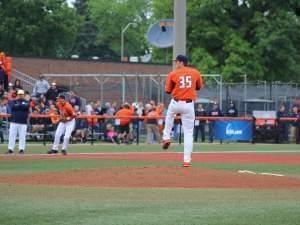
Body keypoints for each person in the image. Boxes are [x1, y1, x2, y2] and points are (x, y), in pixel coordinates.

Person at [162, 54, 204, 167]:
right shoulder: (195, 72)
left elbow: (167, 90)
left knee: (169, 115)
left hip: (176, 102)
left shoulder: (173, 73)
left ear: (181, 62)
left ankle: (166, 137)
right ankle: (187, 160)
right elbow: (199, 87)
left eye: (176, 62)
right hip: (189, 105)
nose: (175, 64)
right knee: (189, 133)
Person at [6, 90, 30, 154]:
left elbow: (26, 107)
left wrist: (18, 105)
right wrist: (21, 105)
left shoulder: (26, 102)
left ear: (23, 95)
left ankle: (21, 149)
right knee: (12, 136)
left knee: (22, 136)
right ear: (17, 95)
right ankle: (10, 149)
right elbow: (13, 106)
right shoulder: (13, 101)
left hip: (23, 122)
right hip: (14, 121)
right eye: (19, 94)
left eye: (21, 94)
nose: (20, 95)